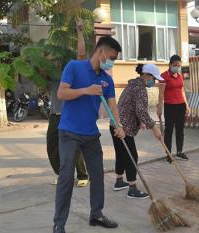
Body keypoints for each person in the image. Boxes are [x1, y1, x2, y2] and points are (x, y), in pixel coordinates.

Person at [52, 36, 125, 233]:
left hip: (91, 134)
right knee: (66, 176)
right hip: (69, 132)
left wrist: (118, 125)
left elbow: (112, 106)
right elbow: (62, 94)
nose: (112, 62)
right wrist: (86, 90)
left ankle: (96, 215)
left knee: (98, 175)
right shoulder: (74, 67)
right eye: (111, 57)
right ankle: (59, 223)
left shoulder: (106, 79)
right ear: (101, 52)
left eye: (114, 60)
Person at [46, 20, 89, 187]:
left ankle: (82, 175)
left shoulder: (72, 71)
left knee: (74, 147)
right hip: (54, 115)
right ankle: (63, 174)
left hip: (70, 115)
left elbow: (81, 54)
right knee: (53, 147)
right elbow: (43, 65)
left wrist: (79, 31)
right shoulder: (52, 73)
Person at [111, 64, 163, 199]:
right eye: (153, 78)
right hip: (124, 127)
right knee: (131, 155)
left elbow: (131, 106)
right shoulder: (140, 88)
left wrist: (140, 122)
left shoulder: (132, 85)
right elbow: (141, 111)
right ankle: (132, 188)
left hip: (115, 124)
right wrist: (154, 128)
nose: (154, 82)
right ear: (146, 75)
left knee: (121, 153)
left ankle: (119, 181)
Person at [157, 55, 190, 163]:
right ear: (170, 64)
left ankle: (179, 151)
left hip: (181, 105)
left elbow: (182, 91)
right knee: (169, 130)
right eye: (175, 65)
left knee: (180, 130)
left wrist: (187, 105)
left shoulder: (180, 76)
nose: (177, 67)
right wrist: (160, 108)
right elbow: (161, 94)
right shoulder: (163, 76)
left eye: (179, 66)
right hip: (170, 106)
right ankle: (169, 154)